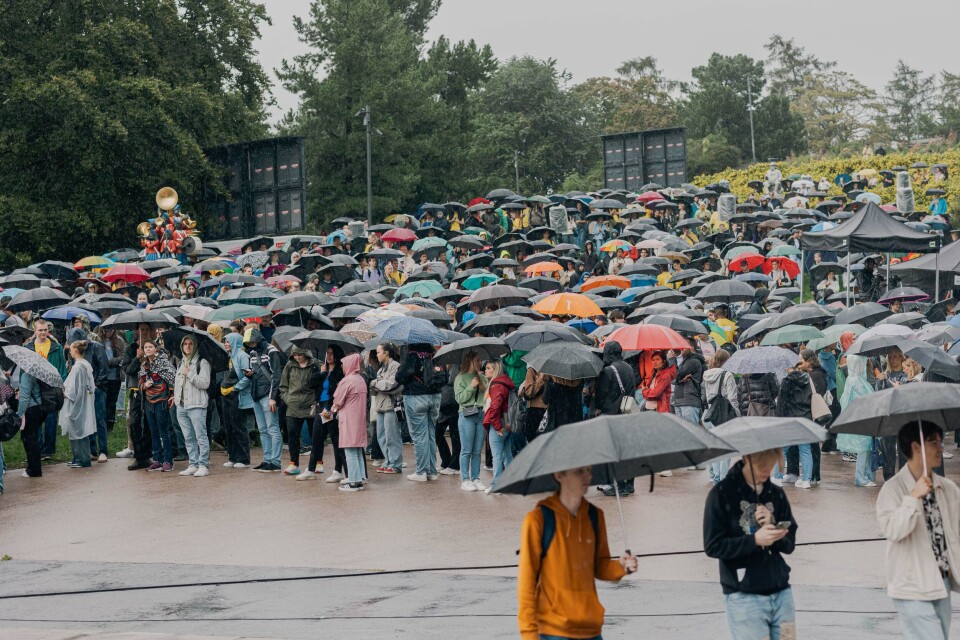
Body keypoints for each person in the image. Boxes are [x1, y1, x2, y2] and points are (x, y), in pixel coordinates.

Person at [517, 465, 637, 640]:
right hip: (554, 631)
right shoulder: (537, 520)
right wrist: (529, 635)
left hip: (591, 629)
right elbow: (527, 583)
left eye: (589, 470)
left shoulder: (595, 516)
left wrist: (620, 566)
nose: (588, 476)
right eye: (580, 471)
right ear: (559, 475)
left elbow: (600, 566)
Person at [877, 421, 960, 640]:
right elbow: (893, 530)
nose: (941, 448)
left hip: (941, 581)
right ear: (915, 447)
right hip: (911, 585)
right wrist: (913, 497)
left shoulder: (948, 488)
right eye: (934, 442)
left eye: (941, 441)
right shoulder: (892, 489)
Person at [704, 448, 798, 640]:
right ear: (747, 458)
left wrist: (773, 523)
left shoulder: (776, 494)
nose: (766, 471)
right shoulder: (721, 494)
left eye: (771, 465)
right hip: (744, 594)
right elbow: (713, 545)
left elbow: (789, 545)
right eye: (761, 466)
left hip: (780, 590)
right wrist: (754, 540)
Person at [591, 342, 637, 496]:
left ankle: (619, 485)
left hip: (612, 414)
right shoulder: (629, 367)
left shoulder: (608, 371)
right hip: (627, 413)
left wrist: (596, 407)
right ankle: (629, 484)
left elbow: (601, 396)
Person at [397, 343, 444, 482]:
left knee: (419, 435)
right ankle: (432, 471)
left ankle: (422, 471)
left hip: (416, 396)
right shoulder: (434, 355)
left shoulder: (412, 355)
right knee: (430, 434)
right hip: (435, 396)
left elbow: (400, 377)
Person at [324, 353, 368, 492]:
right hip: (359, 418)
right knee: (357, 449)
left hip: (348, 418)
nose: (342, 367)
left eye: (344, 364)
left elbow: (338, 400)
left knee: (350, 449)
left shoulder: (347, 381)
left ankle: (354, 481)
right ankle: (359, 477)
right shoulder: (360, 379)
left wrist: (331, 410)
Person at [243, 327, 284, 473]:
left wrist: (273, 397)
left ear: (257, 339)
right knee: (263, 429)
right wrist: (250, 374)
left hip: (267, 395)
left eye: (252, 342)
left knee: (272, 428)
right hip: (256, 395)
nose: (251, 345)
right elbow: (258, 373)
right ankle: (267, 460)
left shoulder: (271, 350)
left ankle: (276, 461)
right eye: (248, 343)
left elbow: (276, 375)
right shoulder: (253, 353)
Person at [25, 319, 67, 461]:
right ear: (35, 331)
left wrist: (61, 385)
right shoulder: (29, 347)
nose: (43, 332)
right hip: (35, 385)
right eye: (40, 330)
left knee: (50, 419)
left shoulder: (56, 347)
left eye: (45, 330)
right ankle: (38, 448)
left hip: (51, 385)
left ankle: (48, 450)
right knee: (34, 418)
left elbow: (62, 367)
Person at [173, 335, 212, 477]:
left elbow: (205, 383)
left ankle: (203, 464)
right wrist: (176, 396)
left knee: (201, 436)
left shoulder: (202, 362)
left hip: (197, 405)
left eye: (191, 344)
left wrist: (189, 373)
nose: (188, 347)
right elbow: (178, 383)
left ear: (195, 346)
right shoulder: (180, 363)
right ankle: (193, 463)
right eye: (185, 344)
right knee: (188, 437)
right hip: (181, 405)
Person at [837, 355, 877, 487]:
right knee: (863, 447)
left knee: (866, 447)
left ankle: (866, 475)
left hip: (861, 418)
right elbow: (864, 400)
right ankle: (861, 477)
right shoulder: (856, 381)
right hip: (861, 418)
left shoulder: (855, 379)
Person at [702, 350, 740, 485]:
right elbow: (732, 398)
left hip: (711, 413)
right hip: (724, 413)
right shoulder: (728, 375)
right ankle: (723, 478)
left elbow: (707, 396)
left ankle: (716, 477)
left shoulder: (706, 375)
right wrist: (737, 414)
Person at [138, 339, 176, 472]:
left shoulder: (163, 362)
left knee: (163, 432)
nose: (147, 349)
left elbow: (172, 378)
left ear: (156, 349)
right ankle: (157, 459)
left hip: (161, 401)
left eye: (150, 347)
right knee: (153, 432)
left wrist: (171, 394)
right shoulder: (144, 365)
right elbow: (140, 383)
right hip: (149, 402)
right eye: (145, 347)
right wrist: (144, 385)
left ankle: (168, 460)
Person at [368, 342, 404, 477]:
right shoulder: (381, 368)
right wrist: (377, 385)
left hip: (391, 405)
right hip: (380, 405)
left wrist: (375, 383)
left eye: (378, 352)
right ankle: (388, 461)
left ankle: (395, 463)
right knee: (382, 436)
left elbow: (391, 385)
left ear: (386, 353)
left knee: (392, 436)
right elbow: (375, 390)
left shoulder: (395, 366)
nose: (376, 355)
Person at [454, 350, 487, 492]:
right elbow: (460, 399)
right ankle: (465, 479)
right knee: (466, 449)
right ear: (470, 362)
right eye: (478, 360)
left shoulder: (482, 377)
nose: (480, 363)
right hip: (467, 415)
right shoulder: (460, 378)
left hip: (481, 413)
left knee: (477, 450)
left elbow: (486, 395)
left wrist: (481, 385)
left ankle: (476, 478)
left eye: (480, 360)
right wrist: (471, 386)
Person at [61, 340, 96, 469]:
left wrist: (66, 393)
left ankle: (83, 458)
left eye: (71, 349)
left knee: (79, 429)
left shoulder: (78, 367)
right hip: (82, 400)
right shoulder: (84, 364)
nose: (70, 351)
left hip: (77, 402)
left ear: (75, 350)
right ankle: (77, 457)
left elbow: (76, 387)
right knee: (76, 429)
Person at [483, 359, 515, 494]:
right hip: (508, 421)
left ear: (495, 370)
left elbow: (495, 407)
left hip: (499, 423)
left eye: (489, 368)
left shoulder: (496, 385)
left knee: (496, 456)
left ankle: (497, 484)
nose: (485, 370)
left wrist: (496, 426)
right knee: (507, 455)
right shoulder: (507, 383)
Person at [221, 331, 253, 469]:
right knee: (229, 426)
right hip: (226, 395)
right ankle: (232, 456)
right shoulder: (228, 356)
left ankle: (243, 458)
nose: (226, 344)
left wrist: (236, 389)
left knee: (239, 427)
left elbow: (249, 375)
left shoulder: (242, 355)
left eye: (228, 341)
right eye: (225, 342)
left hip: (237, 396)